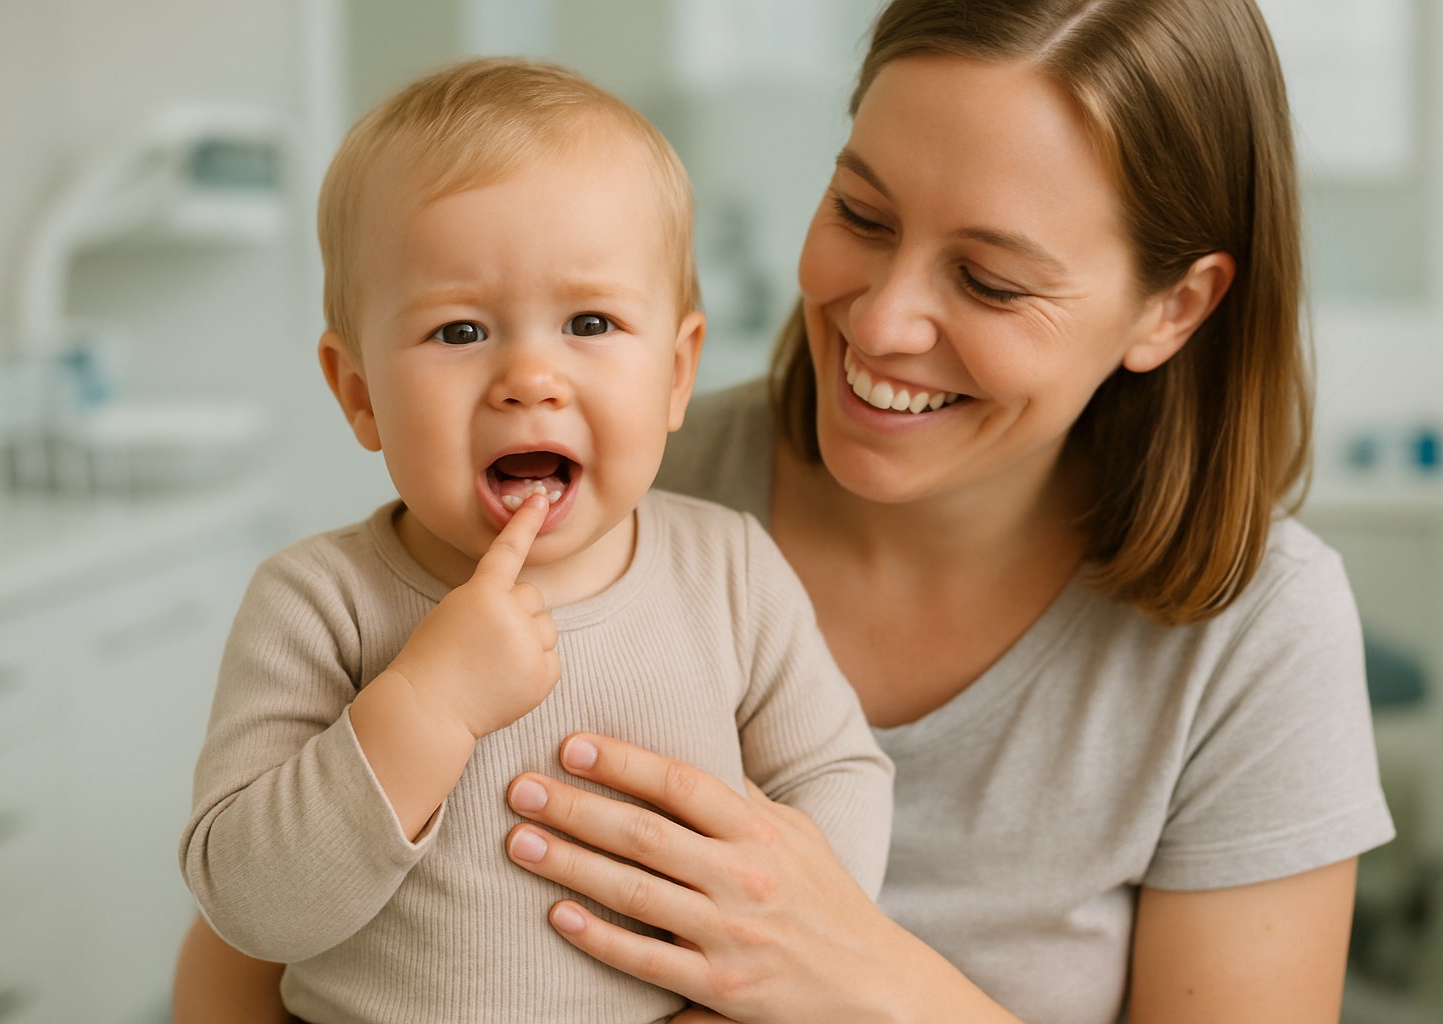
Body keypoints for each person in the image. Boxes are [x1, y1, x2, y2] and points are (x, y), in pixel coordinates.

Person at [175, 1, 1396, 1021]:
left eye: (989, 278)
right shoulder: (593, 486)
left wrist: (853, 973)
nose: (879, 322)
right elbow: (250, 946)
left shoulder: (1258, 634)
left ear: (1171, 310)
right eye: (862, 213)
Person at [177, 57, 893, 1024]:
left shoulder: (731, 571)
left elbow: (837, 780)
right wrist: (426, 705)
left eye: (589, 322)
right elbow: (248, 904)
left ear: (677, 373)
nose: (530, 378)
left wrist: (752, 983)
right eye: (460, 331)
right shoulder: (316, 603)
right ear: (358, 392)